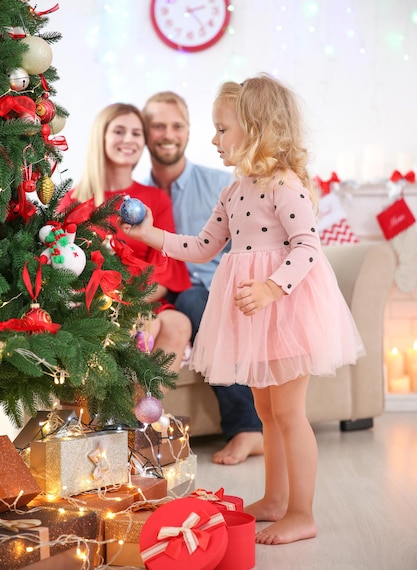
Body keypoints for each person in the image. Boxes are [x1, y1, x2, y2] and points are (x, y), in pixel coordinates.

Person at [119, 74, 365, 545]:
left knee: (290, 413)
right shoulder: (233, 192)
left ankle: (301, 512)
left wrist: (273, 289)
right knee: (266, 410)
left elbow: (307, 246)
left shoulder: (284, 185)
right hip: (253, 313)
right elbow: (203, 245)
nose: (213, 139)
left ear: (256, 129)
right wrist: (151, 235)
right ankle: (275, 500)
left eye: (221, 129)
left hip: (287, 308)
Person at [142, 90, 263, 466]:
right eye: (158, 125)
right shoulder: (138, 195)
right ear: (146, 132)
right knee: (182, 304)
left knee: (197, 301)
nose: (168, 133)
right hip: (167, 293)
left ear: (189, 131)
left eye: (177, 125)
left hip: (216, 288)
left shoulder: (220, 183)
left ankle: (247, 428)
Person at [59, 102, 192, 378]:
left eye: (136, 133)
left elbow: (165, 271)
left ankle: (146, 417)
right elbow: (62, 270)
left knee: (178, 323)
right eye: (119, 131)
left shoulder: (155, 200)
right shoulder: (73, 202)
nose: (129, 140)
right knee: (145, 327)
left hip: (144, 301)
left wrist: (133, 303)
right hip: (92, 306)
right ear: (102, 137)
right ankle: (123, 416)